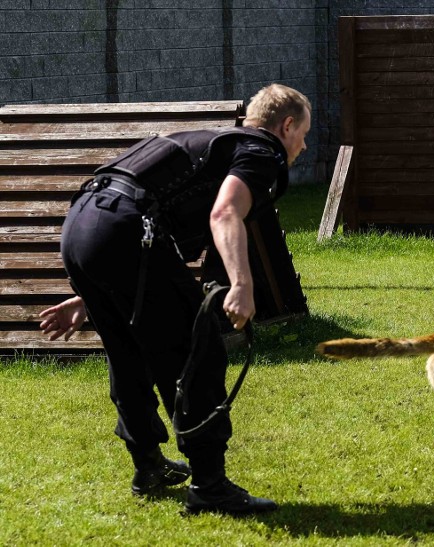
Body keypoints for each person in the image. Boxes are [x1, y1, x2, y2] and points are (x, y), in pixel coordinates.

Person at [38, 83, 311, 515]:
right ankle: (209, 486)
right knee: (195, 353)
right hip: (124, 232)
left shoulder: (212, 140)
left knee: (129, 354)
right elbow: (224, 212)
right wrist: (242, 284)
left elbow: (125, 204)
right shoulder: (261, 150)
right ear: (287, 125)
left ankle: (147, 465)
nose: (303, 146)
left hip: (81, 225)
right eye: (303, 135)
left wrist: (91, 293)